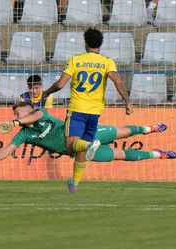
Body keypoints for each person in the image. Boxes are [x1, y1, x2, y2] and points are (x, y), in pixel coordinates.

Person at [0, 102, 176, 194]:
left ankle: (149, 128)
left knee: (121, 132)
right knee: (119, 155)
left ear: (28, 110)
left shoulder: (40, 113)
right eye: (15, 114)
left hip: (86, 134)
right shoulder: (25, 134)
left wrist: (16, 122)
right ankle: (158, 154)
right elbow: (7, 151)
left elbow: (35, 116)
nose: (16, 115)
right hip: (79, 151)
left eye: (18, 112)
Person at [41, 27, 133, 193]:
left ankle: (91, 145)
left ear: (85, 42)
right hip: (95, 112)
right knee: (81, 148)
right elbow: (118, 81)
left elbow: (60, 84)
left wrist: (47, 92)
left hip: (77, 110)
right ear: (101, 44)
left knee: (70, 148)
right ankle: (74, 183)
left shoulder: (76, 60)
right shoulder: (107, 62)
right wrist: (127, 101)